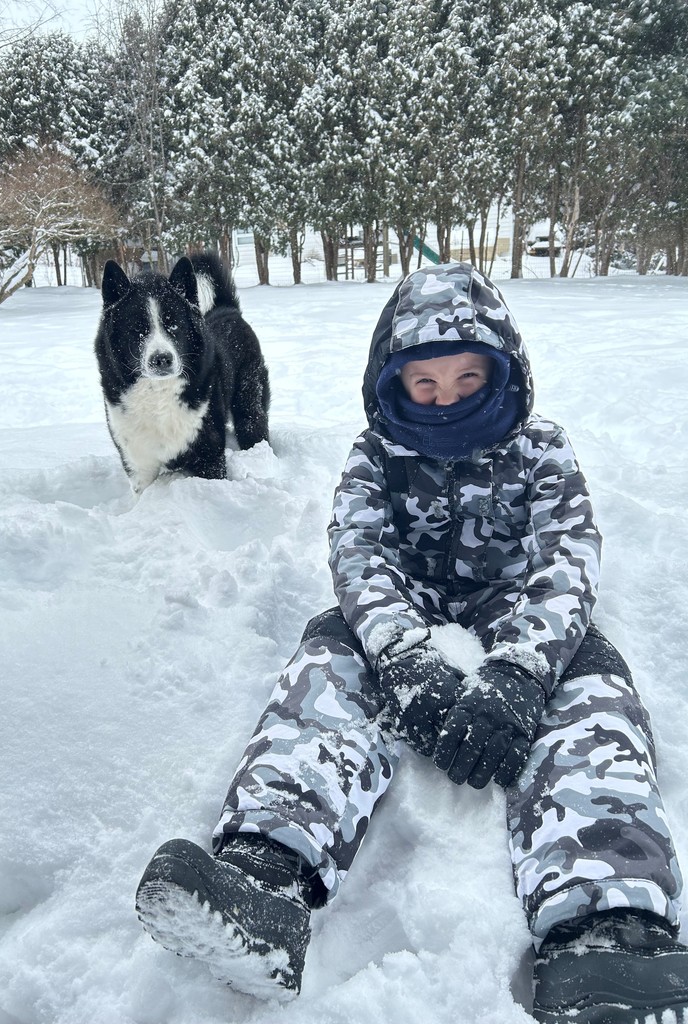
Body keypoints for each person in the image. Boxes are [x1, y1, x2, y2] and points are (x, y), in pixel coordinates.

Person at [135, 263, 688, 1023]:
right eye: (424, 384)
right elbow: (358, 555)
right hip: (409, 615)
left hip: (516, 610)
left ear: (505, 372)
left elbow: (568, 557)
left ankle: (609, 932)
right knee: (328, 655)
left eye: (468, 377)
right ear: (390, 382)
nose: (447, 396)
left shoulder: (543, 449)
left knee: (593, 687)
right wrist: (402, 658)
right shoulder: (374, 456)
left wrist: (522, 673)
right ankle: (266, 876)